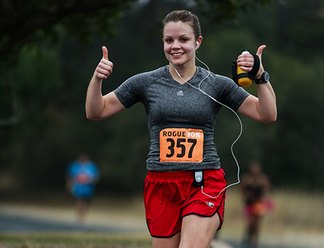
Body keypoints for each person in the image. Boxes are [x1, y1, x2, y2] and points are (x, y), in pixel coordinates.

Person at [85, 10, 276, 248]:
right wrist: (97, 79)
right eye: (169, 40)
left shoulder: (216, 84)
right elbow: (96, 111)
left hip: (203, 182)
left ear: (198, 41)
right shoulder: (145, 82)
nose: (176, 46)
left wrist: (260, 77)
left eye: (183, 39)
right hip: (161, 184)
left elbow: (266, 114)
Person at [241, 161, 273, 248]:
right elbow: (242, 190)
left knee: (257, 223)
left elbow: (267, 189)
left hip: (259, 203)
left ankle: (255, 241)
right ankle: (249, 236)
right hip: (249, 203)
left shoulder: (263, 179)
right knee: (251, 222)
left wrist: (265, 199)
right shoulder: (247, 179)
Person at [66, 154, 100, 223]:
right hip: (79, 187)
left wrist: (91, 180)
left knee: (86, 202)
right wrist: (70, 185)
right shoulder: (75, 166)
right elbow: (70, 176)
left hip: (88, 187)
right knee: (79, 200)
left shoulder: (92, 166)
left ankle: (83, 215)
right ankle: (79, 216)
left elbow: (96, 177)